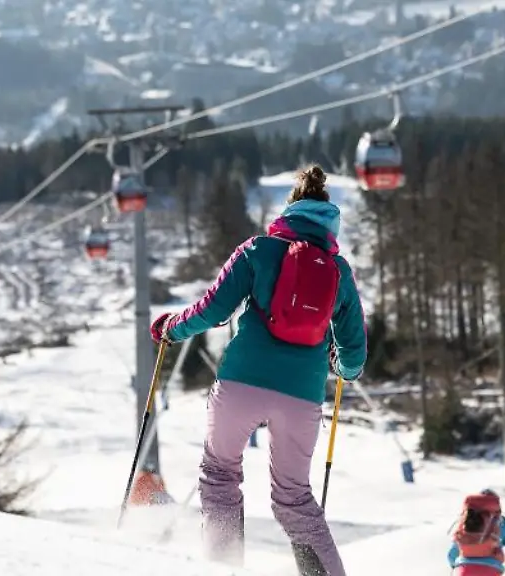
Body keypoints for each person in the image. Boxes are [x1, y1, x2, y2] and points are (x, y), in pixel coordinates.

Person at [150, 164, 367, 576]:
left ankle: (224, 568)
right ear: (330, 223)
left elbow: (213, 310)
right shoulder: (338, 272)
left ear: (289, 212)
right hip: (302, 397)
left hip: (241, 383)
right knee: (294, 499)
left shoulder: (258, 250)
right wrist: (341, 366)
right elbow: (354, 354)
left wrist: (171, 329)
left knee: (219, 477)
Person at [447, 489, 505, 576]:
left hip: (463, 571)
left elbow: (451, 555)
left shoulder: (467, 523)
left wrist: (456, 567)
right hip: (491, 570)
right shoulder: (502, 523)